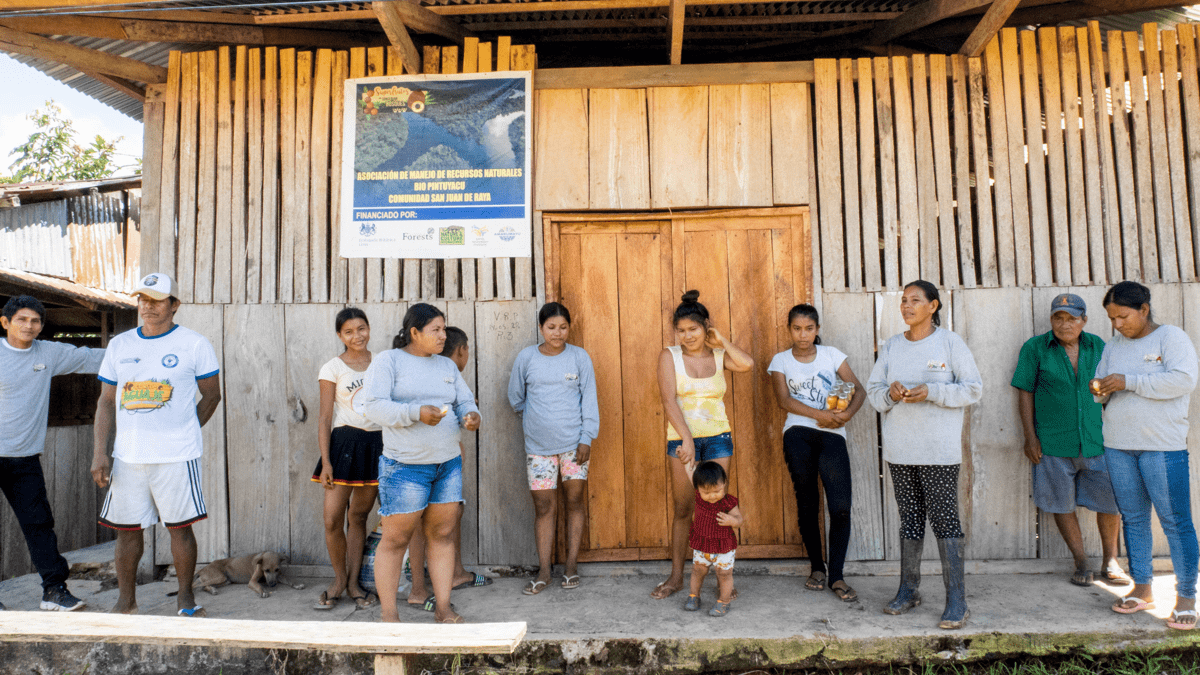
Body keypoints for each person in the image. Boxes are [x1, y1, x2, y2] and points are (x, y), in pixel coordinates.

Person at [91, 273, 222, 617]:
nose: (147, 306)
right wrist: (100, 452)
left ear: (174, 305)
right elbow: (106, 401)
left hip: (177, 456)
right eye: (142, 299)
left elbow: (212, 395)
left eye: (156, 299)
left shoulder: (194, 344)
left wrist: (183, 428)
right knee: (127, 531)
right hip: (128, 456)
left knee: (179, 527)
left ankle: (185, 598)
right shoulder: (120, 345)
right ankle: (126, 601)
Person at [867, 280, 981, 630]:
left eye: (915, 300)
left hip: (939, 451)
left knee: (946, 521)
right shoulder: (891, 347)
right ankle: (909, 590)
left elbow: (973, 389)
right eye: (903, 300)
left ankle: (957, 600)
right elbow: (874, 394)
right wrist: (891, 393)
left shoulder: (950, 343)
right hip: (901, 450)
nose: (907, 306)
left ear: (933, 306)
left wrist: (932, 391)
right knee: (911, 521)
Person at [361, 304, 481, 624]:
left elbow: (464, 400)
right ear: (414, 333)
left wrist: (470, 416)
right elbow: (372, 407)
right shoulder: (389, 361)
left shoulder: (446, 366)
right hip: (405, 467)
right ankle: (390, 616)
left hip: (447, 464)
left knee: (442, 536)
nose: (443, 336)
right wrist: (415, 413)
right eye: (436, 330)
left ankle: (443, 607)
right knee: (396, 540)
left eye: (444, 329)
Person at [1094, 281, 1199, 630]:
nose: (1117, 324)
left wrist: (1128, 382)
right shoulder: (1113, 346)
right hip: (1119, 445)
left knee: (1175, 522)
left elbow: (1183, 381)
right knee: (1133, 518)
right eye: (1111, 318)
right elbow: (1102, 385)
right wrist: (1101, 389)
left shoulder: (1171, 338)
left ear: (1144, 309)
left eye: (1123, 316)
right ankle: (1143, 589)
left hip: (1162, 446)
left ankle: (1185, 597)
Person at [1011, 294, 1129, 588]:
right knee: (1061, 503)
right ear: (1051, 320)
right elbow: (1024, 392)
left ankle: (1110, 560)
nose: (1065, 324)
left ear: (1084, 321)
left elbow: (1111, 388)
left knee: (1111, 502)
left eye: (1072, 318)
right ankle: (1081, 561)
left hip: (1096, 440)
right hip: (1052, 442)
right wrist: (1030, 437)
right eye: (1058, 318)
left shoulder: (1099, 346)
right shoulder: (1035, 348)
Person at [0, 295, 105, 612]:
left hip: (25, 458)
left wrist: (144, 350)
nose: (28, 326)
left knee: (39, 525)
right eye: (21, 319)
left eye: (34, 320)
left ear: (41, 325)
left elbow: (93, 358)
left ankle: (54, 591)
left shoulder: (48, 353)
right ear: (5, 322)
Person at [651, 290, 753, 600]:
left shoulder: (720, 355)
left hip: (719, 440)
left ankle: (724, 578)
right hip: (682, 440)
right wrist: (687, 439)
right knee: (684, 509)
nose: (687, 336)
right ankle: (676, 576)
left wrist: (720, 338)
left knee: (716, 506)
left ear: (704, 327)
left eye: (693, 329)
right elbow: (668, 401)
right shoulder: (669, 356)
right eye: (681, 330)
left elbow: (747, 363)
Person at [767, 304, 865, 602]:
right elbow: (784, 401)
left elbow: (858, 390)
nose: (803, 334)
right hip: (797, 433)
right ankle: (816, 568)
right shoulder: (780, 360)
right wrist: (819, 414)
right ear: (789, 330)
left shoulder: (832, 355)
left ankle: (837, 575)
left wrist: (844, 416)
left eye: (809, 328)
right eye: (797, 328)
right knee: (808, 502)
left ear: (817, 329)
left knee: (840, 506)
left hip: (833, 434)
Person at [508, 302, 599, 595]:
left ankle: (571, 565)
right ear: (540, 328)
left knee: (574, 501)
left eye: (562, 327)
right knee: (544, 507)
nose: (557, 333)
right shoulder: (527, 358)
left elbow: (590, 400)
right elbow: (516, 398)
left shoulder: (579, 357)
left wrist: (586, 437)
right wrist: (537, 421)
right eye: (551, 327)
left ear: (568, 328)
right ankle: (545, 569)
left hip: (575, 446)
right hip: (538, 448)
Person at [406, 325, 492, 612]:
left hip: (442, 458)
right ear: (462, 351)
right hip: (426, 460)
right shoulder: (433, 374)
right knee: (422, 523)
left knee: (446, 515)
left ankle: (452, 574)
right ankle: (419, 588)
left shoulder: (445, 376)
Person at [312, 307, 383, 610]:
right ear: (340, 335)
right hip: (342, 445)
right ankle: (338, 579)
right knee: (332, 519)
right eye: (350, 331)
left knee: (358, 517)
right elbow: (325, 417)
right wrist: (326, 462)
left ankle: (353, 584)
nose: (357, 336)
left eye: (362, 328)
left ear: (369, 329)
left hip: (375, 444)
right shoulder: (332, 368)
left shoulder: (382, 363)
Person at [682, 461, 742, 617]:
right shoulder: (699, 499)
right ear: (698, 489)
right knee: (697, 571)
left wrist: (732, 521)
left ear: (724, 484)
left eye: (717, 490)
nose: (712, 496)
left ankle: (724, 602)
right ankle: (694, 596)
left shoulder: (728, 502)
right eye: (706, 492)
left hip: (723, 547)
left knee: (724, 574)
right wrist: (686, 459)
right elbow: (690, 472)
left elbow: (739, 519)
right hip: (702, 545)